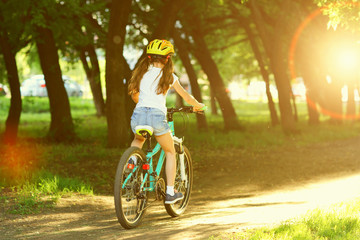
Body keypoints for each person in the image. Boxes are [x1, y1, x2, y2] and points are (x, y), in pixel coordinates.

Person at [128, 39, 205, 204]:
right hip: (157, 117)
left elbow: (135, 96)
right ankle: (170, 192)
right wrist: (198, 106)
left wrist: (145, 102)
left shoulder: (140, 73)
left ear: (149, 58)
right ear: (168, 59)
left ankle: (131, 161)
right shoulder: (169, 76)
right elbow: (186, 96)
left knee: (138, 139)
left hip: (138, 115)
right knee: (170, 151)